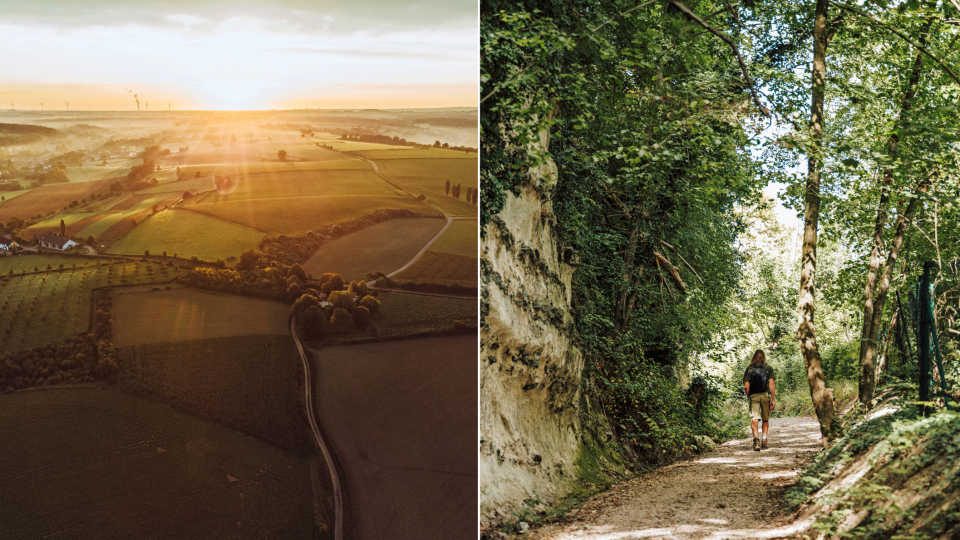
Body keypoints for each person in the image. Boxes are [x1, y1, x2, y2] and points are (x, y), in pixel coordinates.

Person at [743, 349, 776, 451]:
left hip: (754, 396)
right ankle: (764, 441)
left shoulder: (749, 368)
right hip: (765, 395)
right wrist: (773, 399)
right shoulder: (768, 368)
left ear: (754, 357)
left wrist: (749, 396)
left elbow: (746, 386)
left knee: (755, 419)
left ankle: (756, 440)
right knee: (765, 419)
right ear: (763, 357)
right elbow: (771, 384)